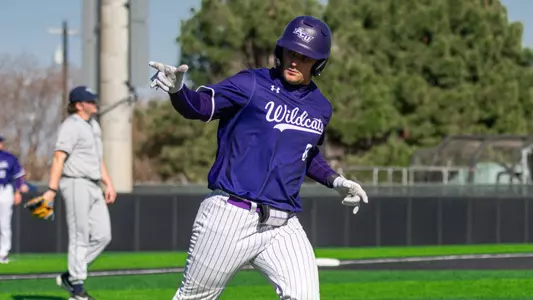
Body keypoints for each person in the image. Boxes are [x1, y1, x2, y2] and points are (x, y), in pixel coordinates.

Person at [149, 15, 369, 300]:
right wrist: (179, 92)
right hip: (231, 215)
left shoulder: (321, 107)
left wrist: (336, 181)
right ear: (281, 51)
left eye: (305, 57)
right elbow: (201, 107)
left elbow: (306, 153)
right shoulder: (251, 83)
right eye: (292, 52)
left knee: (305, 296)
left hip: (283, 224)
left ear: (318, 63)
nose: (295, 61)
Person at [39, 86, 116, 300]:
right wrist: (51, 191)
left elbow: (97, 158)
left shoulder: (93, 125)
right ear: (79, 105)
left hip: (93, 184)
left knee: (103, 235)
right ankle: (77, 290)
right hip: (75, 182)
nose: (95, 104)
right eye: (90, 101)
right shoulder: (70, 126)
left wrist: (108, 183)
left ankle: (70, 276)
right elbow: (58, 157)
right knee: (79, 235)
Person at [0, 135, 25, 264]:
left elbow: (19, 175)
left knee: (4, 223)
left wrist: (18, 191)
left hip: (5, 190)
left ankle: (3, 252)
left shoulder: (9, 158)